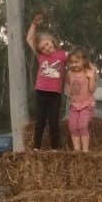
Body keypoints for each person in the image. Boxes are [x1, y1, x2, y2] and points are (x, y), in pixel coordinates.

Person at [26, 13, 68, 149]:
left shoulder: (62, 55)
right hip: (41, 93)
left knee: (54, 122)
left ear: (52, 41)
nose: (46, 48)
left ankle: (55, 149)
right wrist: (34, 24)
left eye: (47, 45)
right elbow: (29, 39)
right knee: (40, 122)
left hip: (55, 94)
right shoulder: (41, 56)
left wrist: (89, 68)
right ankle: (36, 148)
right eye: (43, 48)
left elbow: (78, 57)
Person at [65, 47, 97, 152]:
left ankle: (85, 151)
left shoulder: (88, 73)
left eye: (77, 61)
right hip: (74, 105)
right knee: (73, 127)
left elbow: (92, 90)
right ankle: (77, 151)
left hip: (86, 105)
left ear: (83, 61)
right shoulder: (70, 73)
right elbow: (68, 85)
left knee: (82, 126)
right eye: (71, 62)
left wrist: (92, 77)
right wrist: (69, 93)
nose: (74, 64)